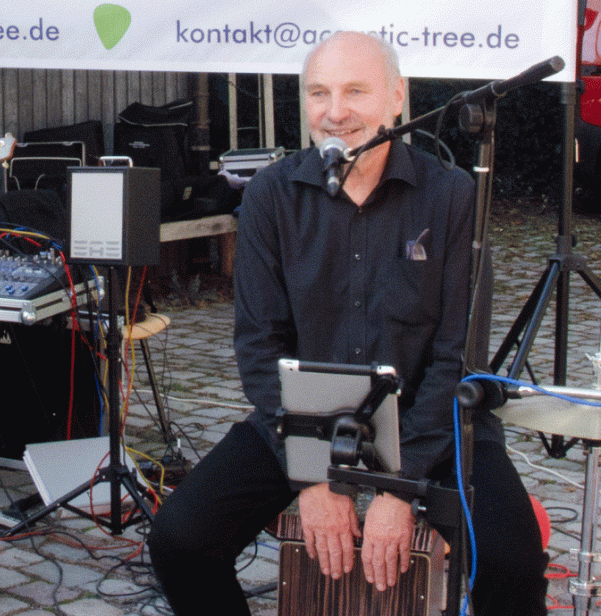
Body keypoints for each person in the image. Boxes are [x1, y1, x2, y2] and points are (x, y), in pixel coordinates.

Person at [146, 31, 547, 615]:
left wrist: (398, 486)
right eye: (319, 93)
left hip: (432, 423)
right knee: (180, 541)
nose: (335, 112)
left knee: (512, 558)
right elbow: (259, 346)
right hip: (305, 421)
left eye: (355, 91)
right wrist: (313, 474)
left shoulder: (452, 195)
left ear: (397, 98)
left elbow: (458, 353)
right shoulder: (271, 196)